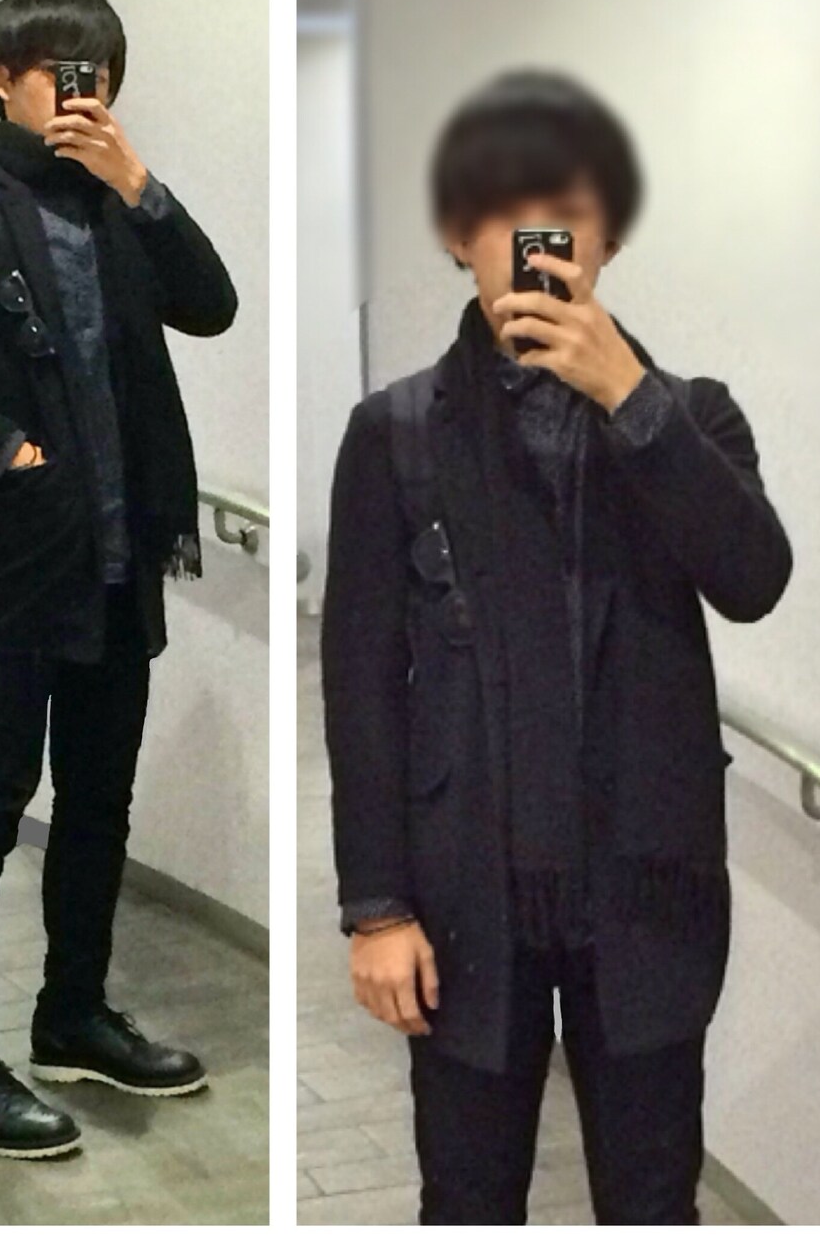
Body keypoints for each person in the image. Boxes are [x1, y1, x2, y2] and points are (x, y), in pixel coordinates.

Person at [322, 69, 792, 1224]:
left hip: (646, 894)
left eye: (565, 213)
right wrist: (375, 905)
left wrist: (629, 398)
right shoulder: (393, 435)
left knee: (650, 1195)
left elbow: (753, 579)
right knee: (468, 1195)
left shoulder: (692, 416)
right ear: (456, 234)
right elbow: (361, 682)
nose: (532, 240)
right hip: (461, 898)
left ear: (606, 241)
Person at [0, 0, 237, 1159]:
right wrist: (1, 444)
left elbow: (213, 306)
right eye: (59, 70)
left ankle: (73, 1014)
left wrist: (139, 181)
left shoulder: (117, 209)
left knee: (100, 798)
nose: (82, 91)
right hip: (17, 554)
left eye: (98, 75)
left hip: (119, 555)